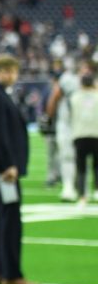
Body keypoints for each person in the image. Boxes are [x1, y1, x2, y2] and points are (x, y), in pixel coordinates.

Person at [0, 54, 39, 284]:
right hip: (4, 171)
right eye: (7, 71)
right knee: (10, 220)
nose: (11, 75)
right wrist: (8, 165)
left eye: (13, 71)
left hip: (1, 168)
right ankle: (11, 274)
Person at [45, 58, 81, 201]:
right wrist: (49, 118)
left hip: (83, 123)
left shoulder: (68, 79)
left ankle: (76, 187)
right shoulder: (67, 79)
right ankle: (69, 186)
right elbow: (54, 98)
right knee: (67, 155)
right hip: (69, 123)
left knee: (75, 156)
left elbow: (54, 98)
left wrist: (49, 117)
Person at [69, 72, 98, 207]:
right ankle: (97, 190)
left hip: (80, 134)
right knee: (97, 166)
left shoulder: (75, 97)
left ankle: (82, 196)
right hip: (96, 134)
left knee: (81, 168)